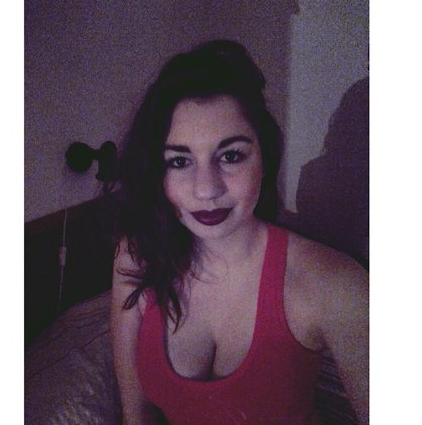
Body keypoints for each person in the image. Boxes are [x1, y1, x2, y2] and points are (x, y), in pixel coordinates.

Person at [110, 40, 368, 425]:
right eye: (179, 161)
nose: (206, 190)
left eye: (231, 156)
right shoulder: (137, 255)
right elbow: (136, 415)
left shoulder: (336, 284)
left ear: (265, 157)